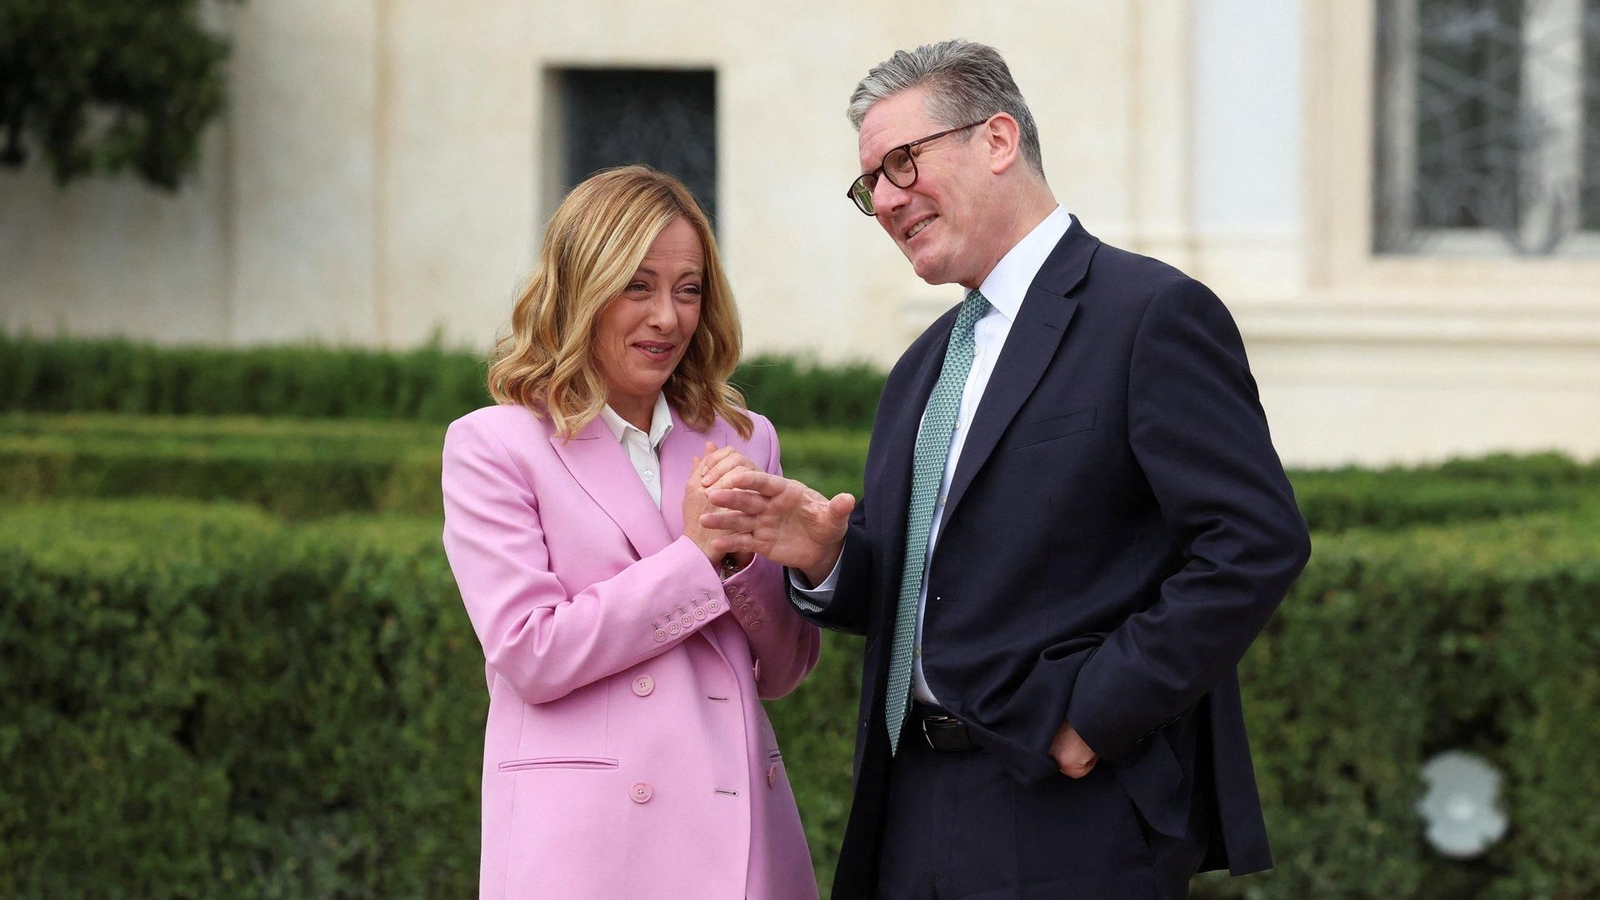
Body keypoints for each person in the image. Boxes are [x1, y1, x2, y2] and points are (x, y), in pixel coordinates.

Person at [701, 41, 1312, 899]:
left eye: (902, 163)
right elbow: (929, 593)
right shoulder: (922, 368)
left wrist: (1094, 715)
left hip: (1071, 812)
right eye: (869, 183)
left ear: (996, 138)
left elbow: (1254, 542)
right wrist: (826, 555)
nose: (884, 199)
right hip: (909, 811)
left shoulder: (1149, 314)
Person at [441, 165, 822, 900]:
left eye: (688, 289)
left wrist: (758, 561)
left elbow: (781, 671)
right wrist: (694, 558)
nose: (668, 318)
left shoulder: (744, 439)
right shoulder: (494, 445)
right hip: (583, 851)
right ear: (580, 289)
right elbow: (532, 652)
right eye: (637, 286)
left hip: (739, 836)